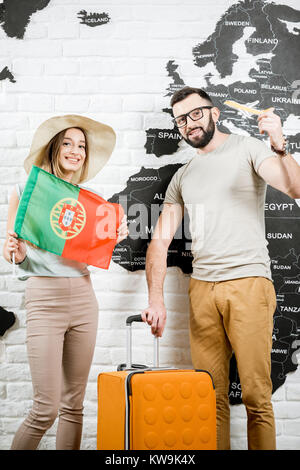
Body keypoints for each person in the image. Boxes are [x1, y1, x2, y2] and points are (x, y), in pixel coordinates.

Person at [141, 86, 300, 450]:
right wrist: (156, 300)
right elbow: (159, 242)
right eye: (181, 119)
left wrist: (279, 144)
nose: (189, 124)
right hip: (202, 292)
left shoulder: (247, 148)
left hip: (248, 284)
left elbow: (296, 188)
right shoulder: (182, 176)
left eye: (195, 113)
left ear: (215, 113)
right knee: (208, 401)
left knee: (257, 398)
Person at [3, 115, 129, 450]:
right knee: (45, 409)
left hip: (84, 299)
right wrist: (14, 251)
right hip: (44, 298)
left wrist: (115, 236)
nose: (76, 151)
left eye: (82, 146)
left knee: (74, 405)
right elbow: (13, 252)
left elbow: (91, 252)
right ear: (55, 148)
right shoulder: (26, 190)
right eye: (68, 144)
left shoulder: (90, 200)